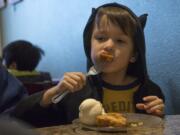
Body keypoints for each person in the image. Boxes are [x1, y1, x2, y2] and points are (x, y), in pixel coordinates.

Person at [12, 3, 165, 127]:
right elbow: (18, 118)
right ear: (89, 46)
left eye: (120, 41)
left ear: (133, 55)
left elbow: (157, 127)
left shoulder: (150, 91)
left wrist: (158, 115)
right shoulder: (76, 90)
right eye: (101, 38)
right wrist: (55, 91)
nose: (109, 46)